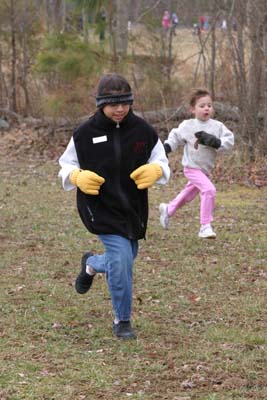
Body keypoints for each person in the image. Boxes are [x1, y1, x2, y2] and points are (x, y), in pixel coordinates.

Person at [58, 73, 170, 340]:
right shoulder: (85, 134)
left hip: (133, 209)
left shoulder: (143, 131)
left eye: (125, 103)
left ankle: (93, 264)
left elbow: (163, 162)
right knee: (121, 262)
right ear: (101, 104)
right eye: (113, 104)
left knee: (125, 258)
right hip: (100, 208)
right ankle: (122, 320)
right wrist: (75, 176)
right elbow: (65, 165)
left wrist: (157, 170)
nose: (119, 109)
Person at [159, 88, 234, 238]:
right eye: (202, 105)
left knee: (188, 195)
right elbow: (175, 136)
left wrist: (217, 142)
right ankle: (205, 226)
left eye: (209, 105)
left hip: (205, 170)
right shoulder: (188, 125)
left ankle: (168, 210)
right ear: (193, 109)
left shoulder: (217, 126)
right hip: (191, 167)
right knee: (209, 190)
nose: (206, 108)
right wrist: (167, 147)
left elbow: (229, 141)